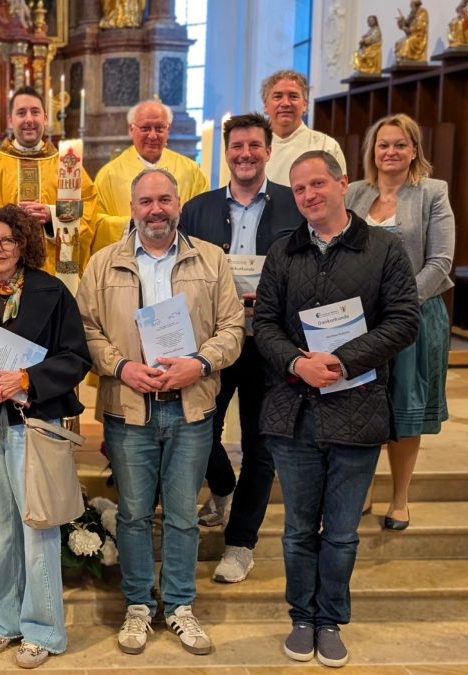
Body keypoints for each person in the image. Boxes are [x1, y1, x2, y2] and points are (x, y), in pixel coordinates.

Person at [254, 151, 419, 668]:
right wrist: (298, 363)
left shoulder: (384, 248)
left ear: (342, 184)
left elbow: (404, 320)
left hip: (358, 408)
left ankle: (330, 620)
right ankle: (301, 617)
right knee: (298, 530)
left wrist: (343, 361)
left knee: (343, 533)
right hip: (294, 410)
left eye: (318, 184)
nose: (309, 195)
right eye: (300, 189)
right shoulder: (284, 251)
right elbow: (264, 323)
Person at [76, 168, 243, 658]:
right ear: (132, 208)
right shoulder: (103, 264)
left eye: (164, 200)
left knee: (183, 516)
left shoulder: (210, 259)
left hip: (190, 408)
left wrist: (200, 363)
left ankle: (179, 604)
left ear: (178, 205)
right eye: (146, 201)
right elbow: (85, 330)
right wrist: (121, 366)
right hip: (129, 410)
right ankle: (137, 605)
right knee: (132, 514)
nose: (155, 210)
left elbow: (233, 328)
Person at [0, 205, 92, 669]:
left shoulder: (51, 291)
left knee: (37, 526)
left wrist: (26, 380)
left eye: (6, 241)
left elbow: (76, 358)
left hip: (32, 424)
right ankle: (4, 621)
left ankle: (43, 630)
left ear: (24, 244)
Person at [178, 113, 300, 583]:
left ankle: (241, 542)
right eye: (237, 146)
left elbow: (308, 271)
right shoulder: (198, 209)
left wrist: (272, 297)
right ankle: (223, 487)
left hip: (273, 342)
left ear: (268, 150)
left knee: (260, 443)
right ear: (226, 153)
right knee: (202, 430)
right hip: (213, 341)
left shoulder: (294, 205)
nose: (245, 154)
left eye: (254, 146)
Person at [346, 114, 455, 530]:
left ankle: (400, 497)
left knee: (405, 408)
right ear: (372, 151)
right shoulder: (355, 193)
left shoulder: (432, 192)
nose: (390, 152)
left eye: (399, 144)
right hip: (360, 320)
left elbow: (440, 261)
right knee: (361, 404)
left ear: (414, 150)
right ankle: (363, 490)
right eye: (383, 145)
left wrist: (398, 304)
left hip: (413, 317)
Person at [0, 86, 98, 273]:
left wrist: (52, 215)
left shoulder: (68, 165)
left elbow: (88, 209)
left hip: (56, 272)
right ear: (10, 120)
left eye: (35, 112)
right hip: (4, 273)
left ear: (45, 118)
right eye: (21, 113)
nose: (29, 119)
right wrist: (9, 217)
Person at [92, 99, 209, 255]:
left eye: (159, 128)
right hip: (127, 257)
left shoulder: (190, 171)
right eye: (145, 128)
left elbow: (202, 216)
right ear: (131, 129)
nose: (153, 136)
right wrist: (133, 225)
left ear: (168, 130)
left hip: (179, 256)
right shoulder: (109, 174)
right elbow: (96, 222)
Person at [261, 71, 347, 186]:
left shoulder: (326, 146)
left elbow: (337, 192)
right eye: (277, 96)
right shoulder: (252, 147)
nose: (285, 103)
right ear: (266, 105)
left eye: (293, 96)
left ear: (305, 104)